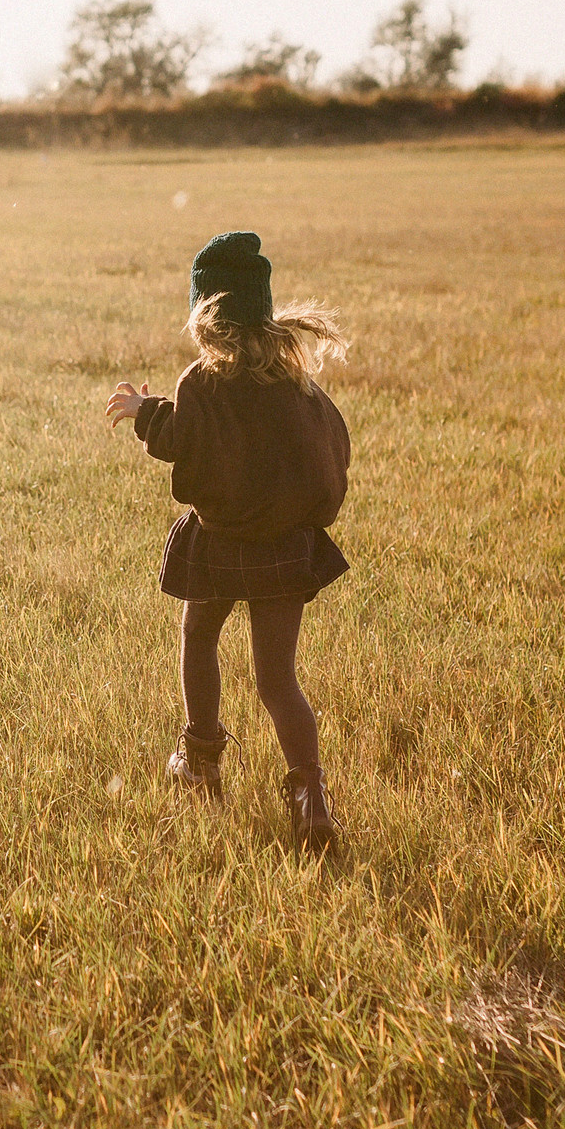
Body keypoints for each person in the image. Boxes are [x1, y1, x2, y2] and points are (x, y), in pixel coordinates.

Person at [104, 231, 351, 851]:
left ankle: (202, 762)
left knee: (198, 635)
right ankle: (310, 794)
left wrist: (143, 411)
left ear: (206, 316)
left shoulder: (202, 383)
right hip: (287, 549)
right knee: (276, 678)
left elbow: (180, 442)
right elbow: (331, 454)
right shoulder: (297, 386)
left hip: (220, 543)